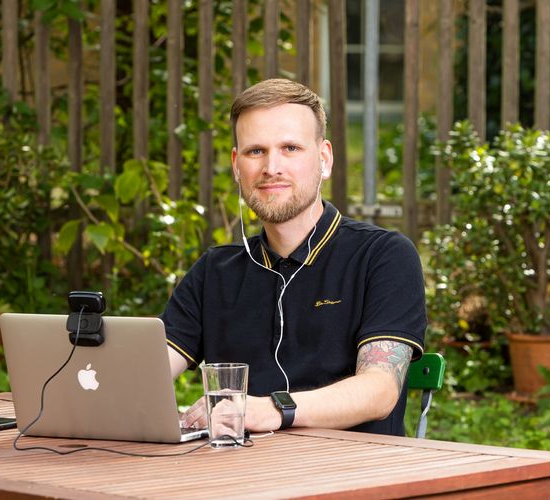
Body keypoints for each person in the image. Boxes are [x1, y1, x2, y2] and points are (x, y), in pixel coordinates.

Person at [162, 78, 426, 436]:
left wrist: (273, 409)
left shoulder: (382, 256)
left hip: (354, 476)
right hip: (241, 477)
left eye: (290, 148)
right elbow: (147, 373)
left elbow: (379, 391)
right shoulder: (215, 271)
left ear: (324, 158)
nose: (272, 167)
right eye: (256, 151)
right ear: (237, 166)